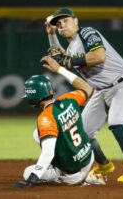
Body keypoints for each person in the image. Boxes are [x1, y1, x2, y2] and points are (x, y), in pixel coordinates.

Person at [45, 7, 123, 183]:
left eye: (65, 21)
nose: (62, 26)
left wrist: (70, 61)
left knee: (116, 121)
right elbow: (58, 55)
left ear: (76, 21)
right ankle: (104, 164)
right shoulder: (71, 46)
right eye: (58, 24)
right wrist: (51, 34)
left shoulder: (87, 32)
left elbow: (99, 56)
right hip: (101, 91)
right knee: (82, 133)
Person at [14, 56, 105, 188]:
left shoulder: (46, 117)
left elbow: (48, 151)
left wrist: (32, 179)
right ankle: (89, 171)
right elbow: (88, 89)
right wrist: (60, 70)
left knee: (28, 172)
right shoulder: (69, 99)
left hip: (73, 174)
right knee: (37, 134)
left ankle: (81, 178)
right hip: (88, 158)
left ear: (34, 97)